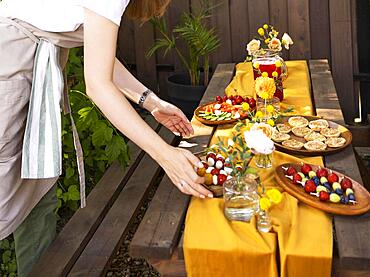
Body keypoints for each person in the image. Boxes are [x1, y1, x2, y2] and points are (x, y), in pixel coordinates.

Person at [0, 0, 212, 275]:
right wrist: (165, 155)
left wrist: (151, 102)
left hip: (28, 72)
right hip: (9, 72)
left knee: (38, 200)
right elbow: (98, 86)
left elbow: (100, 55)